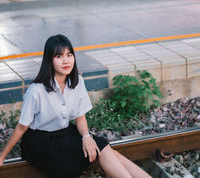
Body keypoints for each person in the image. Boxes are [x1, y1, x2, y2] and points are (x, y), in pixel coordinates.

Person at [0, 34, 151, 178]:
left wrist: (86, 137)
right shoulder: (37, 90)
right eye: (59, 56)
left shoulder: (77, 81)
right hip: (41, 142)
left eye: (69, 55)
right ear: (49, 60)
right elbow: (22, 127)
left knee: (101, 146)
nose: (66, 61)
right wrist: (2, 156)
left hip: (65, 133)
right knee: (102, 150)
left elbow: (80, 117)